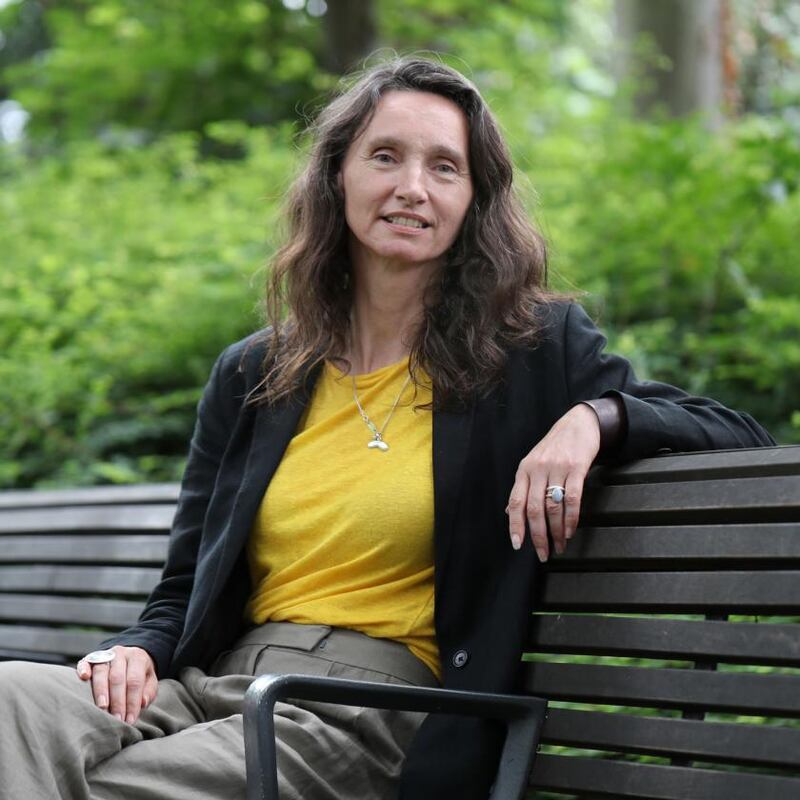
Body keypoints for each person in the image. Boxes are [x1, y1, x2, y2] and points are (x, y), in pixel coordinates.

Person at [0, 57, 774, 800]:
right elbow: (182, 589)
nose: (412, 187)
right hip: (216, 687)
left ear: (475, 196)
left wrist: (595, 417)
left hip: (367, 712)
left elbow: (736, 432)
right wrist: (138, 647)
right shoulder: (254, 375)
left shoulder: (531, 353)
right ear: (338, 175)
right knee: (9, 700)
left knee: (108, 790)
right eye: (386, 157)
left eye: (444, 167)